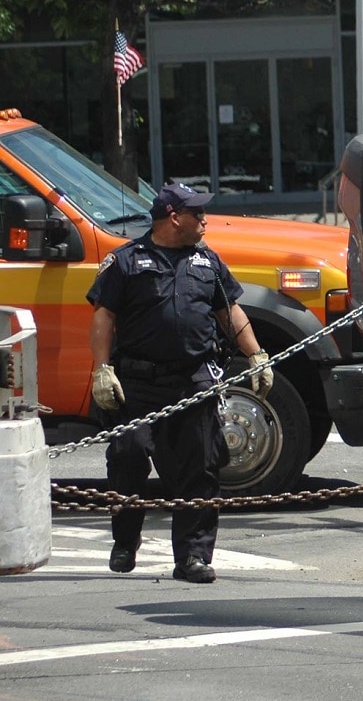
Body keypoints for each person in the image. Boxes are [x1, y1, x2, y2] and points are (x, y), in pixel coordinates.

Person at [87, 183, 274, 583]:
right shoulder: (126, 261)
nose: (205, 220)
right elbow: (104, 315)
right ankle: (125, 540)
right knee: (128, 458)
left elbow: (230, 310)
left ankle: (193, 557)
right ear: (174, 217)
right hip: (138, 383)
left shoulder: (208, 261)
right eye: (197, 213)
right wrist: (102, 369)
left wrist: (257, 354)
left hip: (194, 381)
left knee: (199, 469)